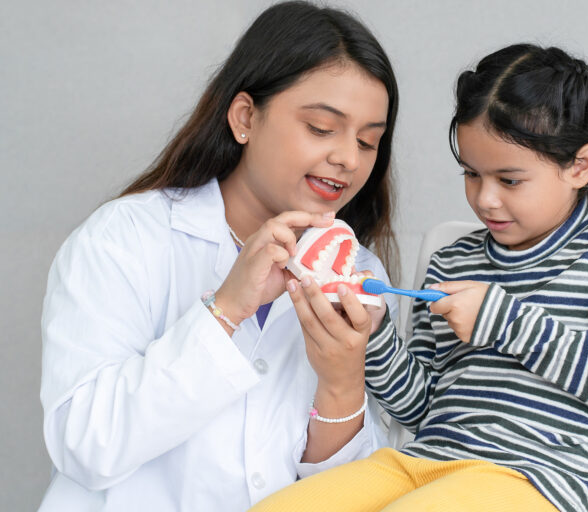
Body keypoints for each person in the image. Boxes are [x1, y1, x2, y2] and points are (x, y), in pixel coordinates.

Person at [251, 43, 588, 512]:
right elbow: (420, 406)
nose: (486, 199)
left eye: (510, 180)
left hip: (539, 482)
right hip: (424, 464)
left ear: (579, 165)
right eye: (472, 174)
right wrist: (372, 336)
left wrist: (503, 320)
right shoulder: (452, 261)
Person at [38, 2, 400, 510]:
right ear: (246, 117)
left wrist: (341, 386)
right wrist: (226, 311)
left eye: (369, 141)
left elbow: (354, 494)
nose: (348, 158)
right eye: (322, 128)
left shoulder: (363, 277)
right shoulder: (124, 238)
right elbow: (85, 445)